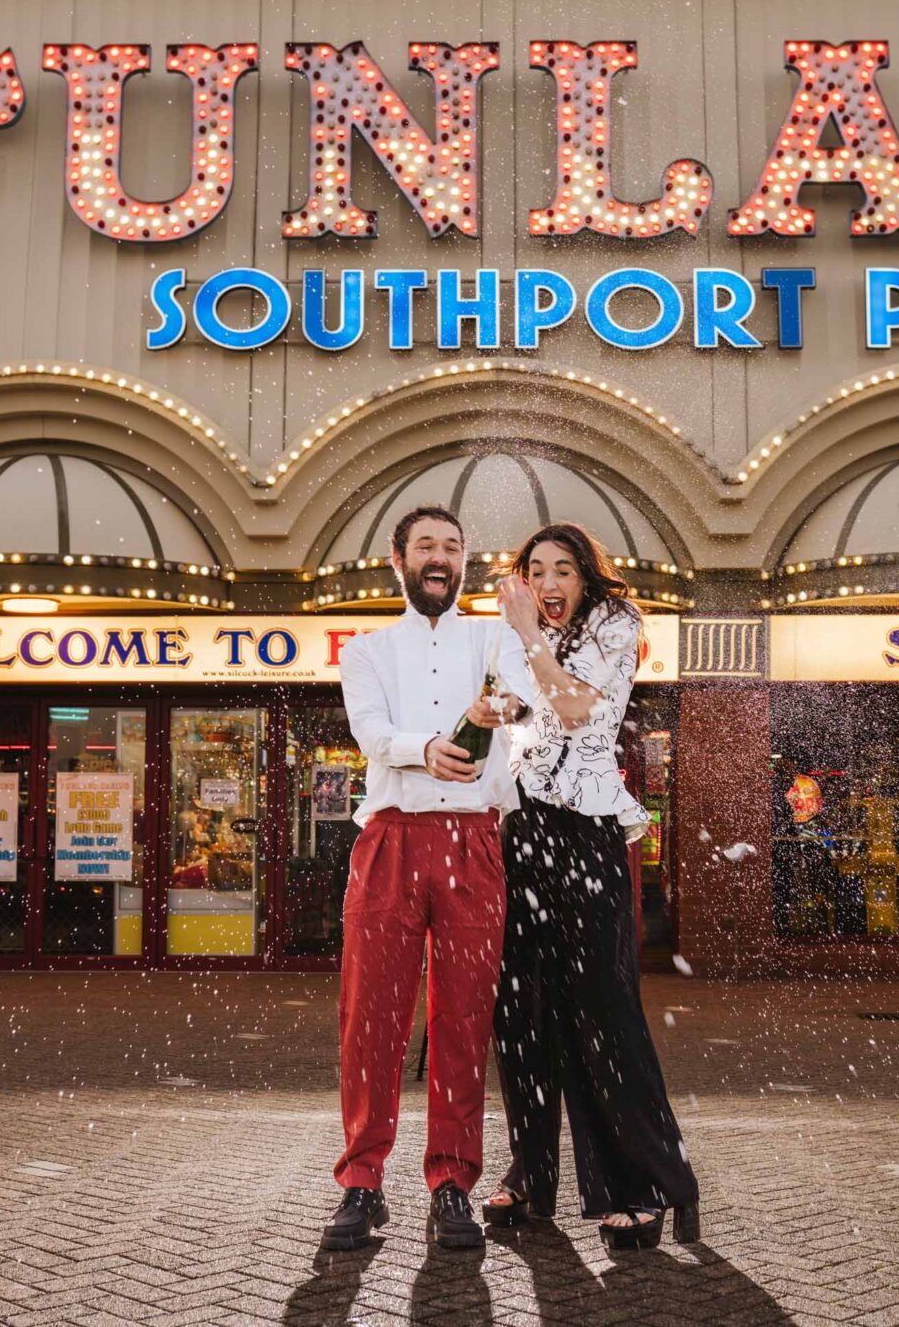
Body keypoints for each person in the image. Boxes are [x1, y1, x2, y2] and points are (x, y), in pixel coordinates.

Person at [484, 522, 700, 1250]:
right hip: (524, 830)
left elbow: (579, 710)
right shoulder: (517, 637)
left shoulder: (616, 623)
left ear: (585, 577)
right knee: (521, 1010)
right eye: (535, 569)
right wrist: (492, 709)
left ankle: (638, 1183)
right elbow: (519, 716)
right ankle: (531, 1171)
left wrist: (528, 640)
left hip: (587, 833)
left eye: (563, 570)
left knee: (602, 1010)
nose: (549, 583)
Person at [322, 504, 529, 1253]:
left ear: (465, 560)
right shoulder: (367, 649)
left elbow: (520, 700)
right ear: (397, 557)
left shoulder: (494, 637)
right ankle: (361, 1182)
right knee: (369, 1017)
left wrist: (492, 703)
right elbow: (371, 732)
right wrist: (426, 746)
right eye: (425, 547)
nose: (439, 558)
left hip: (474, 840)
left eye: (452, 546)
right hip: (391, 841)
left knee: (463, 1020)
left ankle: (451, 1183)